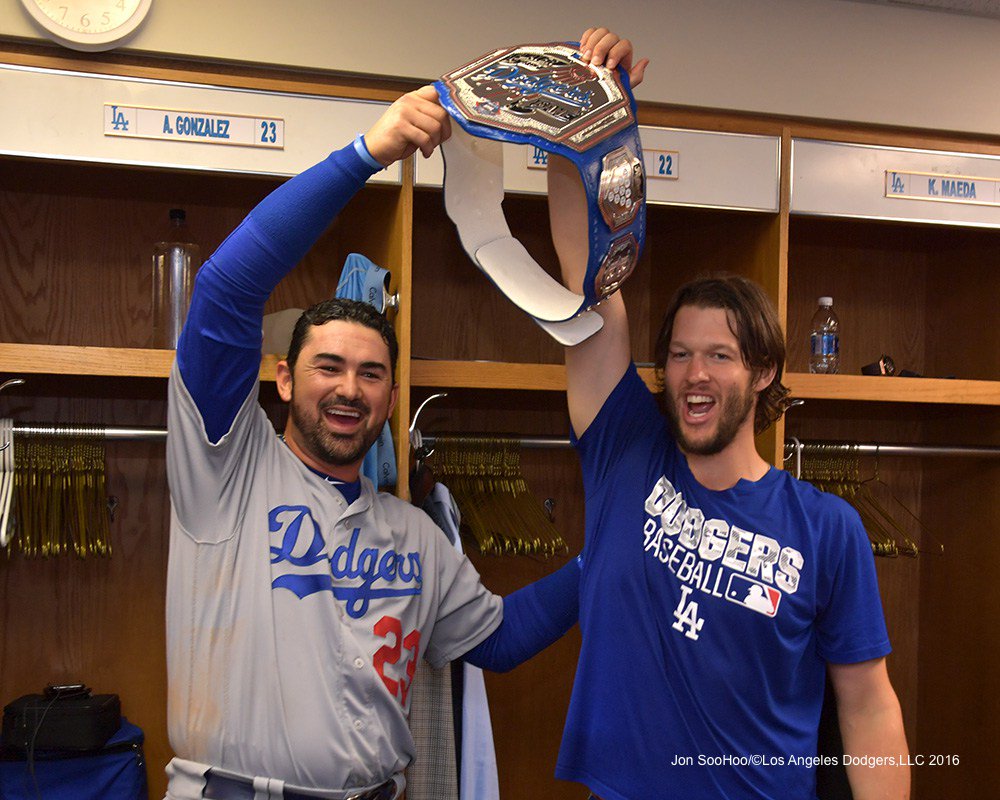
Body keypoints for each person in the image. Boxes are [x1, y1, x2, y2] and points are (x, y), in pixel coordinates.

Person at [164, 86, 579, 800]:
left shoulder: (415, 536)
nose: (349, 389)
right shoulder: (227, 469)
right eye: (328, 367)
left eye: (371, 374)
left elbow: (500, 640)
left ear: (391, 398)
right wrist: (368, 155)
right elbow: (227, 289)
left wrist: (610, 560)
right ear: (286, 381)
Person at [542, 27, 911, 800]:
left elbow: (869, 706)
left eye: (719, 355)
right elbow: (588, 281)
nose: (693, 374)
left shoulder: (827, 527)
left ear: (765, 371)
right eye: (678, 354)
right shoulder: (625, 454)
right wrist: (582, 114)